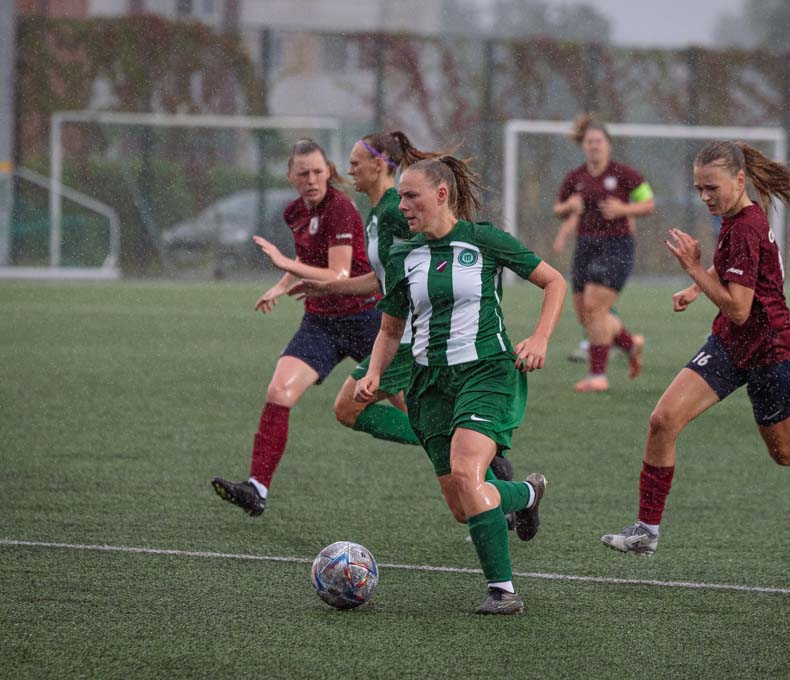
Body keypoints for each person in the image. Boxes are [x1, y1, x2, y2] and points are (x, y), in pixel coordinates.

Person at [601, 140, 790, 556]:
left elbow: (739, 308)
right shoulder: (737, 217)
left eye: (711, 187)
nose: (704, 196)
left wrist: (693, 269)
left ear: (739, 180)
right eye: (699, 188)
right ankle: (646, 530)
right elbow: (732, 269)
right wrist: (698, 287)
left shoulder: (746, 227)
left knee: (788, 452)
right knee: (663, 420)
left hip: (772, 354)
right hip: (730, 345)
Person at [354, 156, 567, 614]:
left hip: (486, 371)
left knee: (469, 474)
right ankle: (527, 494)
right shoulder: (402, 255)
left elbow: (554, 282)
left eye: (411, 196)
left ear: (441, 195)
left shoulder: (484, 240)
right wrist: (373, 374)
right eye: (400, 196)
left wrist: (540, 338)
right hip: (428, 384)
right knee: (462, 505)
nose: (402, 205)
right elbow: (391, 329)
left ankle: (503, 592)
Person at [288, 131, 515, 485]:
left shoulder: (397, 210)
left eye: (355, 163)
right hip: (405, 333)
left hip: (412, 335)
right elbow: (385, 281)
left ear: (379, 165)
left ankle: (485, 472)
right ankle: (489, 473)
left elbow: (433, 258)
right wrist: (327, 287)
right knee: (419, 417)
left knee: (349, 408)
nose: (349, 170)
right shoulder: (379, 213)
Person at [211, 138, 380, 516]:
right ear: (290, 176)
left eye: (319, 171)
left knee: (412, 405)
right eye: (303, 173)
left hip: (366, 318)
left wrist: (283, 262)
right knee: (279, 390)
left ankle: (491, 479)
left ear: (328, 172)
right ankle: (256, 488)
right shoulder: (294, 212)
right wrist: (282, 283)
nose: (312, 179)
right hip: (321, 322)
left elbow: (337, 273)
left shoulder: (340, 208)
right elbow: (310, 260)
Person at [552, 113, 655, 392]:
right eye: (589, 141)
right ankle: (630, 345)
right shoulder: (575, 178)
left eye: (599, 141)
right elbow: (558, 208)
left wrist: (624, 209)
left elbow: (648, 202)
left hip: (617, 246)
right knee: (586, 316)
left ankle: (597, 376)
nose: (594, 146)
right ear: (583, 146)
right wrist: (569, 206)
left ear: (608, 145)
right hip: (585, 246)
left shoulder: (625, 174)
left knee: (595, 308)